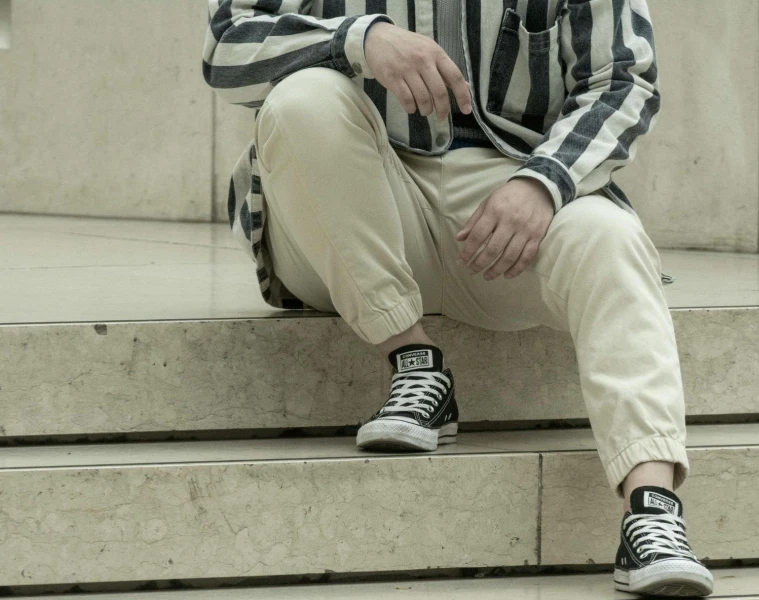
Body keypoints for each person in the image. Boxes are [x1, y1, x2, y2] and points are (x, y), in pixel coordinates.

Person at [203, 0, 713, 595]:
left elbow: (624, 80)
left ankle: (651, 511)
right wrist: (359, 39)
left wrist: (544, 181)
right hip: (349, 205)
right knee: (301, 101)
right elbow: (228, 45)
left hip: (507, 202)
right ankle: (415, 363)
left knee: (613, 237)